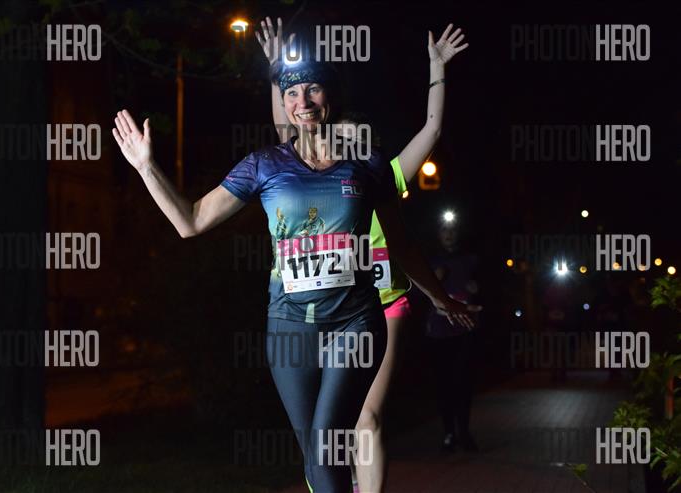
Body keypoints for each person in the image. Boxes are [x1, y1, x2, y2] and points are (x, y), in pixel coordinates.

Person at [111, 47, 477, 493]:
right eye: (291, 93)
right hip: (289, 325)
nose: (302, 101)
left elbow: (401, 244)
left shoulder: (368, 165)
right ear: (283, 103)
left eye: (313, 89)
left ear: (331, 96)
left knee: (325, 447)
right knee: (316, 459)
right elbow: (190, 222)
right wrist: (147, 167)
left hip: (355, 322)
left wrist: (440, 297)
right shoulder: (264, 165)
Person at [256, 17, 469, 492]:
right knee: (319, 435)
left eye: (357, 139)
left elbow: (432, 130)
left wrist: (437, 72)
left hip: (378, 305)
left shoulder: (377, 175)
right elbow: (285, 126)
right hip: (313, 309)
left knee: (366, 418)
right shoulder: (304, 170)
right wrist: (276, 72)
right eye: (342, 137)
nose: (347, 145)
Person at [425, 218, 480, 453]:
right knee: (443, 384)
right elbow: (416, 293)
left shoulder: (471, 260)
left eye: (452, 229)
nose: (448, 234)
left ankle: (464, 432)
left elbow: (488, 291)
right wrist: (433, 280)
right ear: (438, 233)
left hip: (465, 329)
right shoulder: (429, 261)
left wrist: (477, 289)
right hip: (439, 331)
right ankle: (448, 434)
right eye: (444, 229)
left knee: (464, 382)